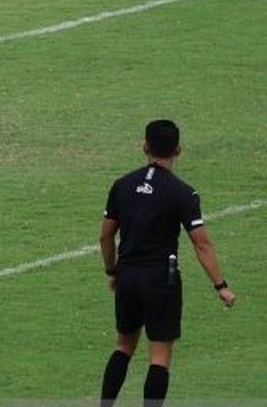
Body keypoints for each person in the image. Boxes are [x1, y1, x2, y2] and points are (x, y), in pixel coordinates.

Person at [98, 119, 236, 407]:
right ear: (179, 150)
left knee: (123, 346)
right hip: (161, 279)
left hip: (128, 276)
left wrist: (113, 271)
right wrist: (220, 286)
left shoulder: (122, 185)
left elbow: (106, 236)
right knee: (159, 356)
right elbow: (201, 242)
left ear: (144, 146)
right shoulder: (183, 193)